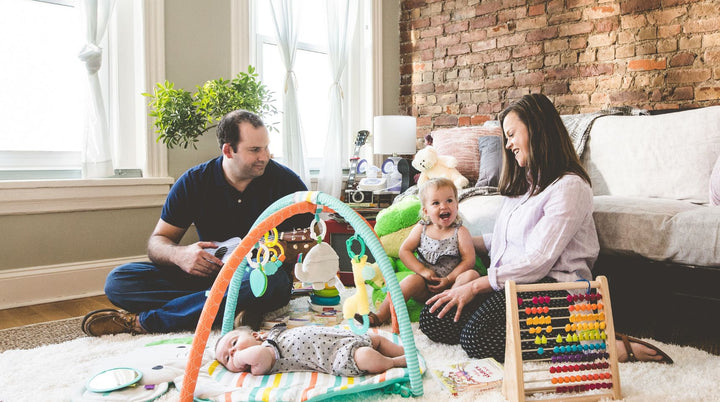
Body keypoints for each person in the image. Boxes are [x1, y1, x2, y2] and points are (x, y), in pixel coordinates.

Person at [419, 94, 673, 364]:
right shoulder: (522, 187)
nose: (508, 144)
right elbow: (505, 241)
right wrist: (454, 240)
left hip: (552, 289)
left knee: (477, 340)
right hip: (511, 284)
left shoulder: (570, 186)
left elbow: (537, 261)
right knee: (433, 319)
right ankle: (521, 333)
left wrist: (473, 288)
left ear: (537, 129)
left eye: (512, 134)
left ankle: (598, 342)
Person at [82, 110, 312, 336]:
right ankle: (231, 310)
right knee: (119, 281)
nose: (265, 156)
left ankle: (148, 322)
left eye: (266, 147)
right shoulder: (194, 182)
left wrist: (286, 255)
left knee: (271, 281)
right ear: (228, 150)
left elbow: (312, 236)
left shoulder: (287, 183)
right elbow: (158, 241)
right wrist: (179, 255)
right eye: (254, 150)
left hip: (255, 277)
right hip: (207, 276)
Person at [358, 177, 475, 327]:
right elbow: (404, 251)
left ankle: (449, 314)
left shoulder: (460, 232)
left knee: (471, 275)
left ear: (457, 205)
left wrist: (449, 279)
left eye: (449, 200)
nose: (444, 206)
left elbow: (468, 260)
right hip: (426, 286)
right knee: (410, 281)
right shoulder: (422, 228)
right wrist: (423, 271)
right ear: (426, 210)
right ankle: (381, 315)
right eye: (436, 203)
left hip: (452, 288)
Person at [215, 324, 407, 376]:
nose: (233, 353)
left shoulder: (270, 337)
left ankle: (403, 350)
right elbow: (256, 356)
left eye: (233, 345)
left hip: (339, 338)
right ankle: (395, 362)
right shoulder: (263, 358)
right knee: (366, 357)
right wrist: (239, 357)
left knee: (376, 339)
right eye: (227, 359)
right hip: (336, 356)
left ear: (256, 335)